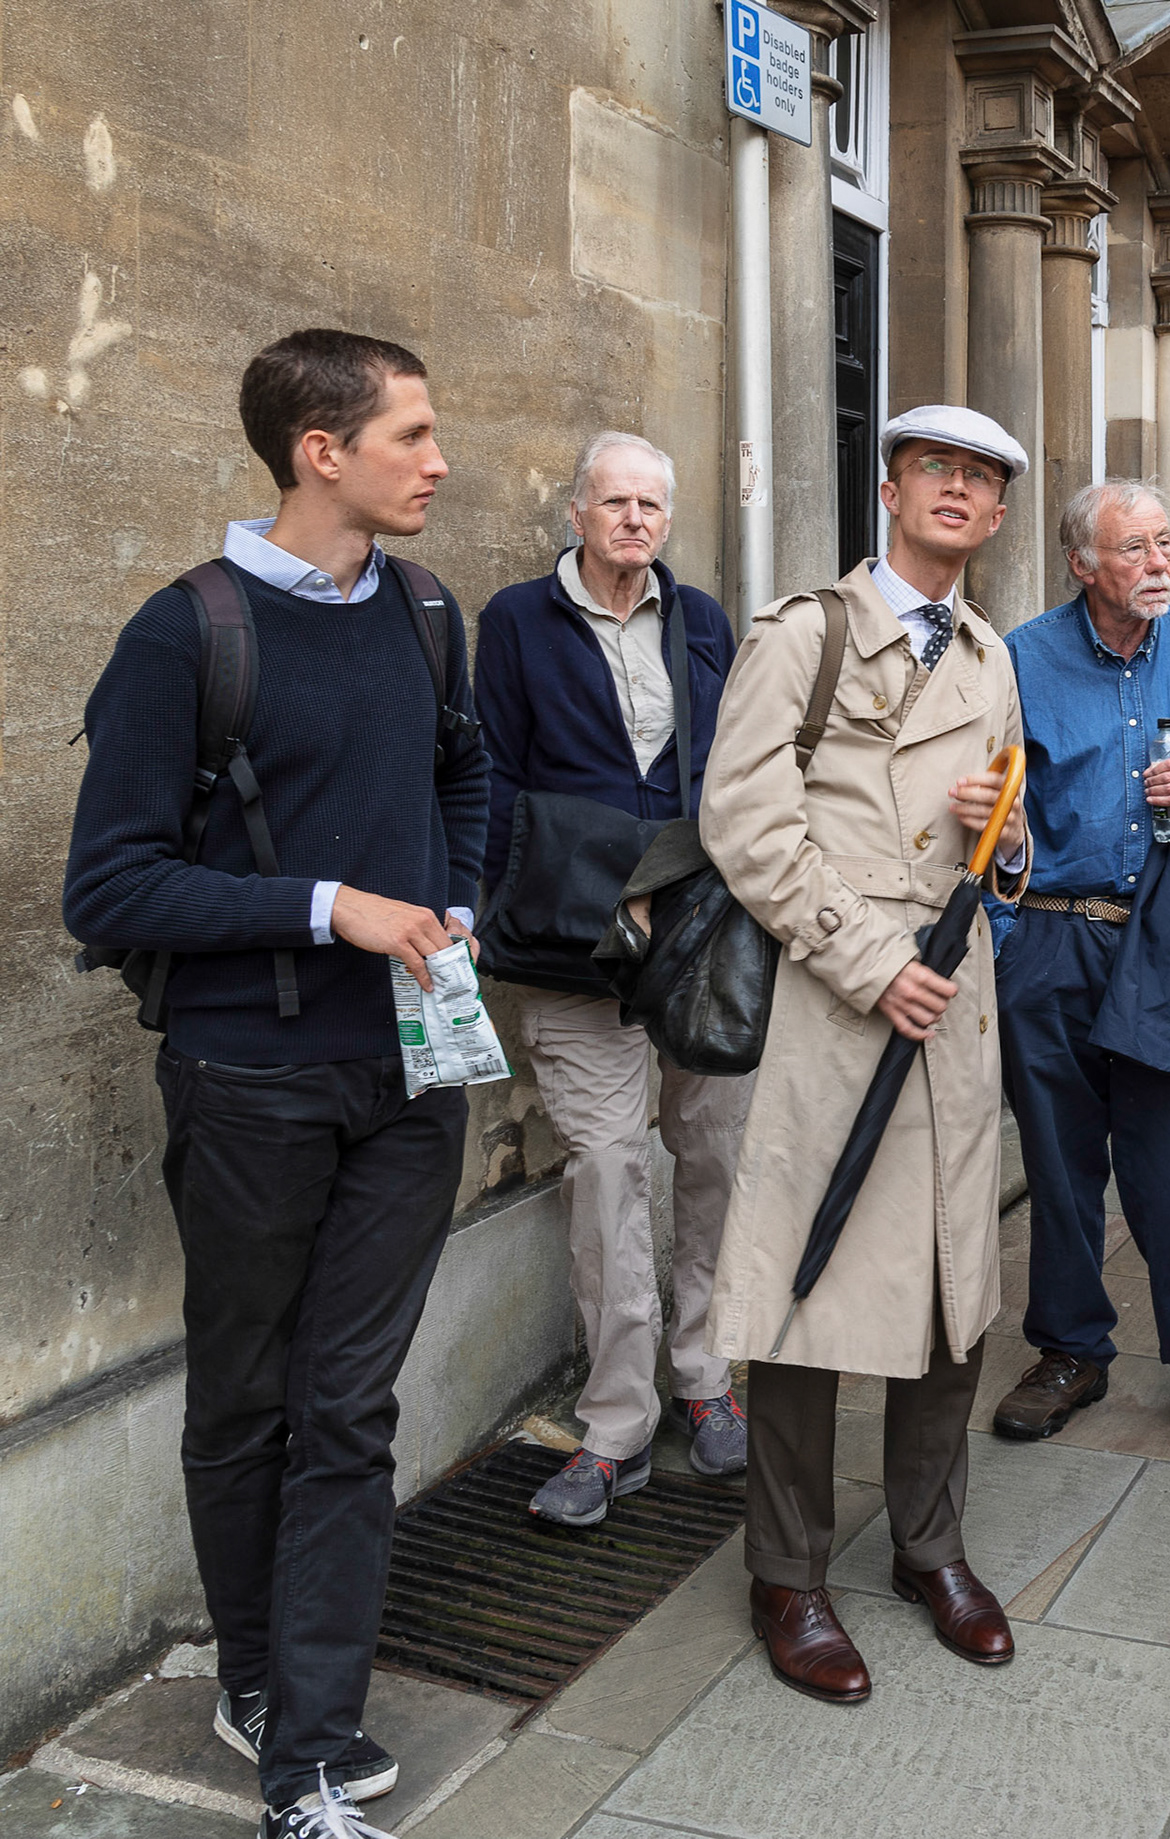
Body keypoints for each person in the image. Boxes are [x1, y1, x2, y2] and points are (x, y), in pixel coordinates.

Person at [64, 330, 490, 1838]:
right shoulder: (187, 633)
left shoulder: (432, 612)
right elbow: (108, 888)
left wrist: (458, 902)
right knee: (248, 1394)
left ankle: (304, 1755)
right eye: (414, 434)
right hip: (248, 1080)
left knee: (349, 1403)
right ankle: (256, 1674)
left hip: (412, 1079)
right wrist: (334, 905)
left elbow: (463, 774)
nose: (440, 461)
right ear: (323, 448)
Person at [696, 404, 1030, 1703]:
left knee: (954, 1285)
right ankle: (787, 1572)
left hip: (957, 994)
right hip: (841, 1003)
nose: (957, 489)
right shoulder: (808, 632)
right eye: (935, 468)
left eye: (982, 478)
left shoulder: (993, 652)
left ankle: (929, 1548)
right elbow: (742, 814)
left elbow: (1016, 830)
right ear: (891, 487)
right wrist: (866, 954)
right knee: (807, 1286)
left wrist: (998, 833)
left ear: (998, 515)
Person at [475, 432, 751, 1522]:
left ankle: (707, 1377)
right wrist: (514, 903)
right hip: (569, 944)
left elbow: (735, 769)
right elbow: (491, 774)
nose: (635, 520)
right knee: (603, 1172)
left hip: (700, 942)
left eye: (652, 503)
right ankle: (617, 1422)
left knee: (713, 1154)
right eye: (615, 502)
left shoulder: (706, 623)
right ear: (577, 514)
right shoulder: (515, 621)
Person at [991, 480, 1170, 1460]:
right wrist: (1005, 935)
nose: (1162, 564)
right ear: (1083, 565)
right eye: (1137, 550)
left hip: (1166, 938)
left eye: (1165, 545)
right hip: (1053, 935)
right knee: (1060, 1167)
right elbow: (990, 814)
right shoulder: (1019, 658)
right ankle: (1071, 1350)